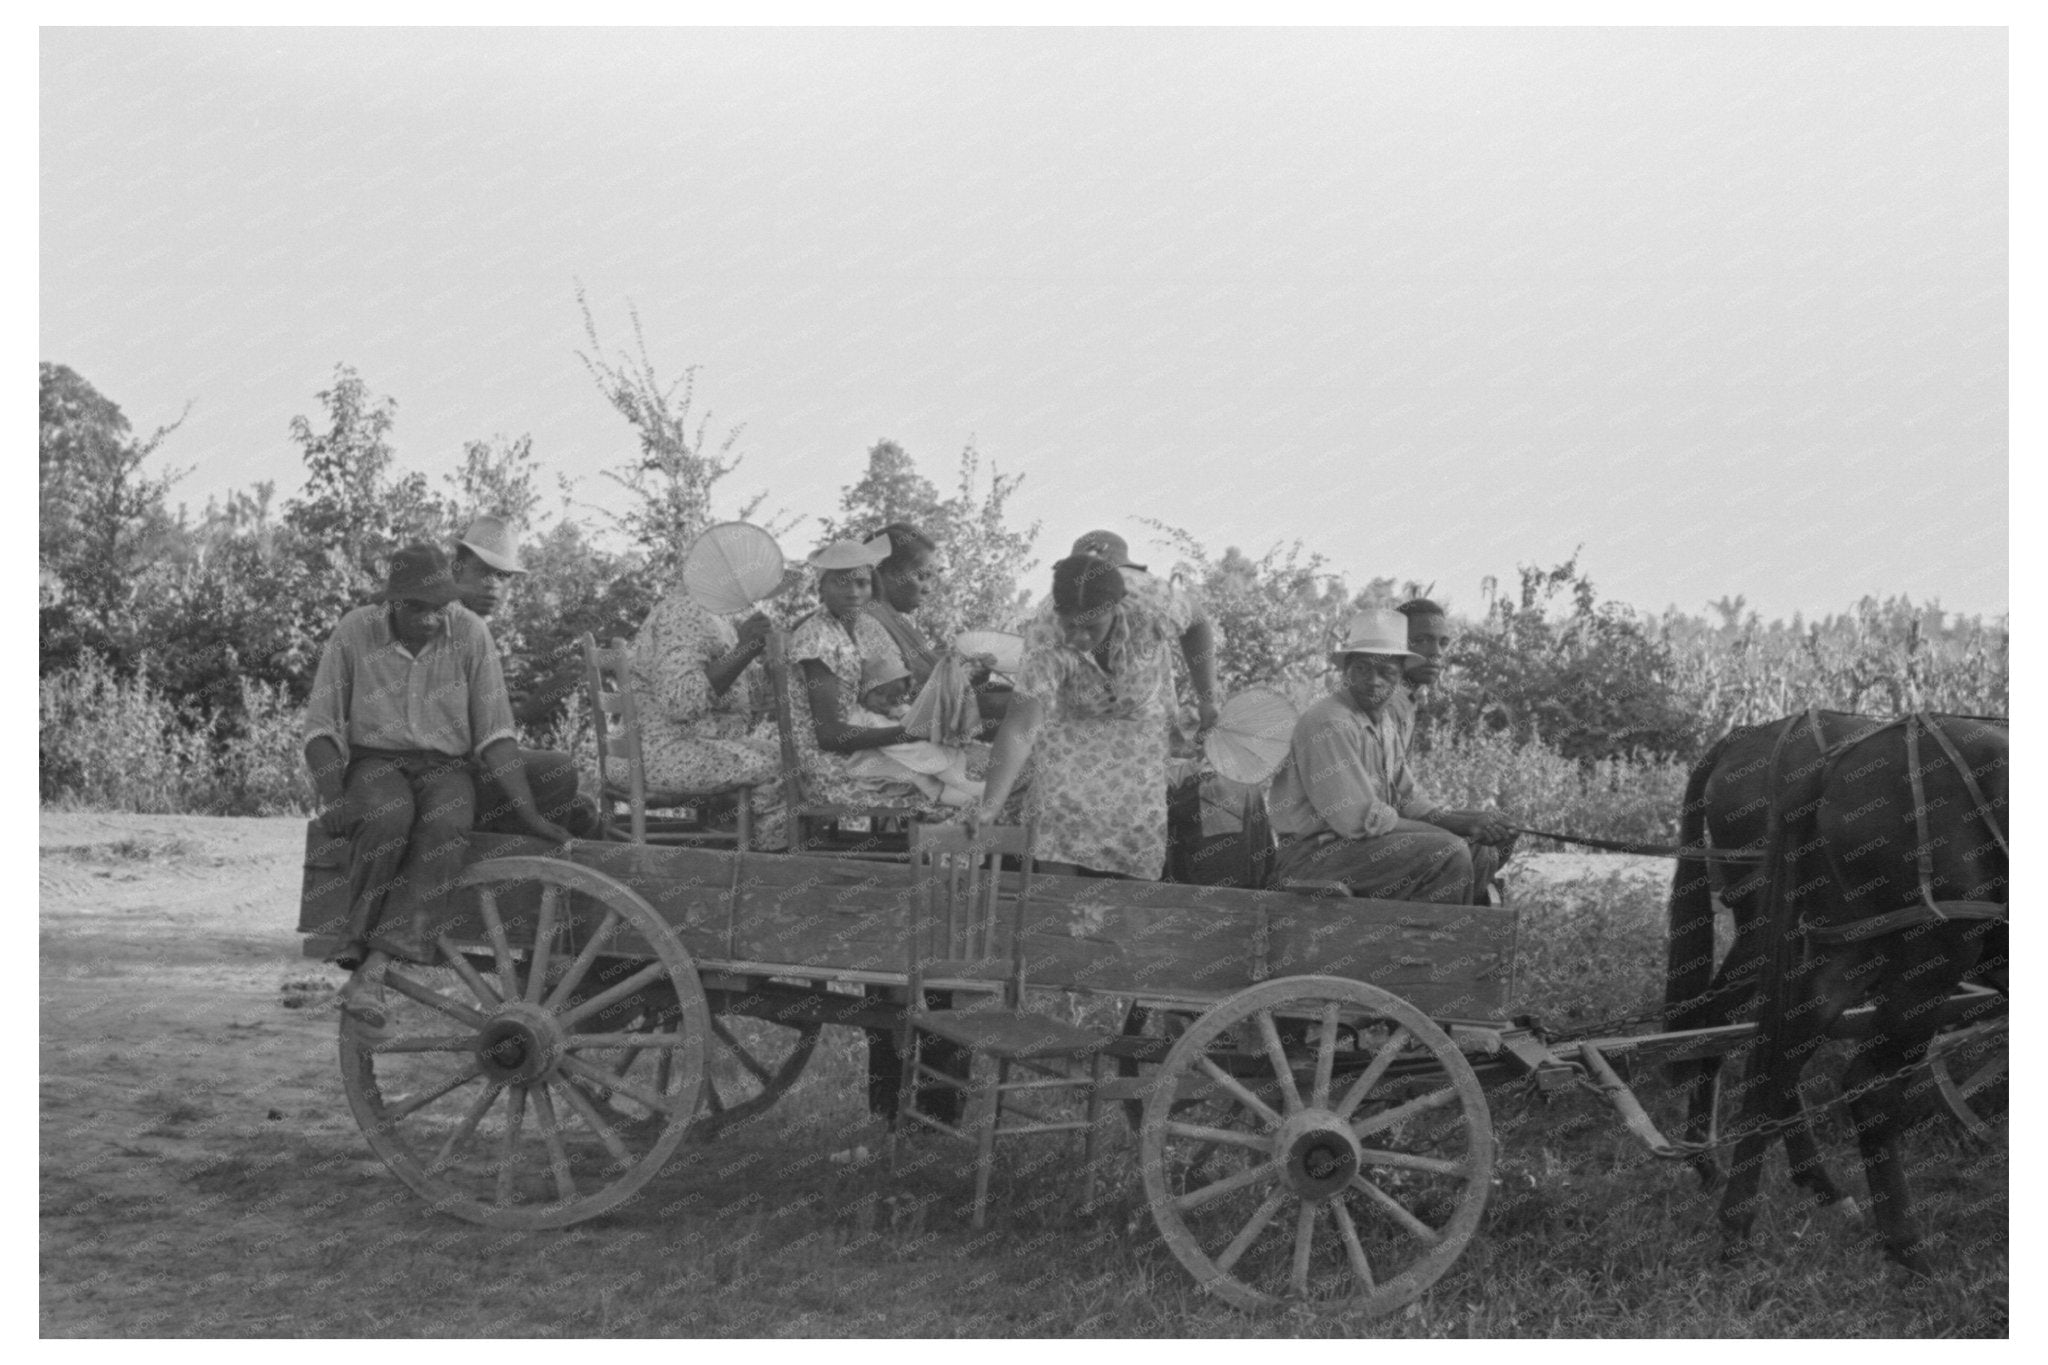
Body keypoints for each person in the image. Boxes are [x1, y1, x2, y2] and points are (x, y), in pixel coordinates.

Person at [304, 544, 573, 1030]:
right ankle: (357, 941)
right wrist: (335, 796)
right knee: (386, 817)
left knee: (448, 826)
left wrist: (530, 814)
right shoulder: (355, 630)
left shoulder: (471, 633)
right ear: (393, 603)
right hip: (376, 761)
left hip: (448, 767)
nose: (430, 619)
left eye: (439, 607)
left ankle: (374, 967)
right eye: (417, 608)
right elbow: (321, 728)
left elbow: (495, 733)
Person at [1265, 609, 1514, 903]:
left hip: (1354, 850)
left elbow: (1410, 800)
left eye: (1386, 672)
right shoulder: (1330, 722)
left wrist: (1473, 821)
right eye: (1362, 669)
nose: (1374, 681)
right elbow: (1359, 820)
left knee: (1483, 850)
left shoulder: (1382, 723)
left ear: (1399, 677)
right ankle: (1422, 943)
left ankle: (1440, 938)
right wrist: (1456, 828)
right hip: (1311, 856)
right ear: (1346, 670)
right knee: (1448, 852)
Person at [978, 554, 1182, 879]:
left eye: (1092, 626)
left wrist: (1208, 696)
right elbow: (1022, 725)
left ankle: (1124, 914)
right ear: (1058, 612)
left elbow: (1198, 625)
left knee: (1136, 820)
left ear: (1116, 608)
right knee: (1054, 806)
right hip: (1073, 720)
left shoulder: (1155, 602)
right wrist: (988, 808)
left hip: (1138, 719)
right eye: (1071, 625)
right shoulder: (1044, 633)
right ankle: (1059, 914)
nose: (1080, 638)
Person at [611, 554, 783, 837]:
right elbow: (680, 702)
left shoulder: (714, 619)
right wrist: (746, 649)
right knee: (789, 763)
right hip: (663, 755)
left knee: (777, 753)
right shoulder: (685, 612)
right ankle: (767, 863)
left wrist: (763, 659)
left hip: (660, 750)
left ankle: (732, 842)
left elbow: (743, 697)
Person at [447, 514, 596, 837]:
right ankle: (514, 863)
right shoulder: (449, 622)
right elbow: (447, 730)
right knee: (559, 770)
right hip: (444, 779)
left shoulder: (473, 625)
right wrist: (526, 712)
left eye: (503, 576)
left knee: (582, 809)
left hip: (461, 770)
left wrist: (519, 710)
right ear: (456, 570)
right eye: (483, 572)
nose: (493, 585)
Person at [784, 537, 943, 817]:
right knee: (943, 789)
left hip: (856, 754)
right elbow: (829, 736)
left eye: (862, 583)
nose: (853, 593)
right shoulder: (816, 637)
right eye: (841, 583)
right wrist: (906, 733)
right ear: (821, 588)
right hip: (828, 769)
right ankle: (938, 857)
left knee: (958, 767)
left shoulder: (857, 629)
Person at [864, 520, 1010, 722]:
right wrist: (962, 673)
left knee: (1008, 694)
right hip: (907, 721)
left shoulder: (894, 618)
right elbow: (898, 698)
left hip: (933, 710)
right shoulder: (870, 620)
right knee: (1015, 705)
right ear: (889, 574)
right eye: (922, 577)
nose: (928, 588)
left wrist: (971, 669)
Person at [845, 654, 984, 809]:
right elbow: (854, 735)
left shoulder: (895, 710)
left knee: (945, 751)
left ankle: (957, 786)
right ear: (865, 689)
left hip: (904, 756)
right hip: (878, 759)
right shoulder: (861, 713)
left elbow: (913, 718)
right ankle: (949, 793)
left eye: (892, 697)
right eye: (878, 693)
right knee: (920, 774)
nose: (884, 701)